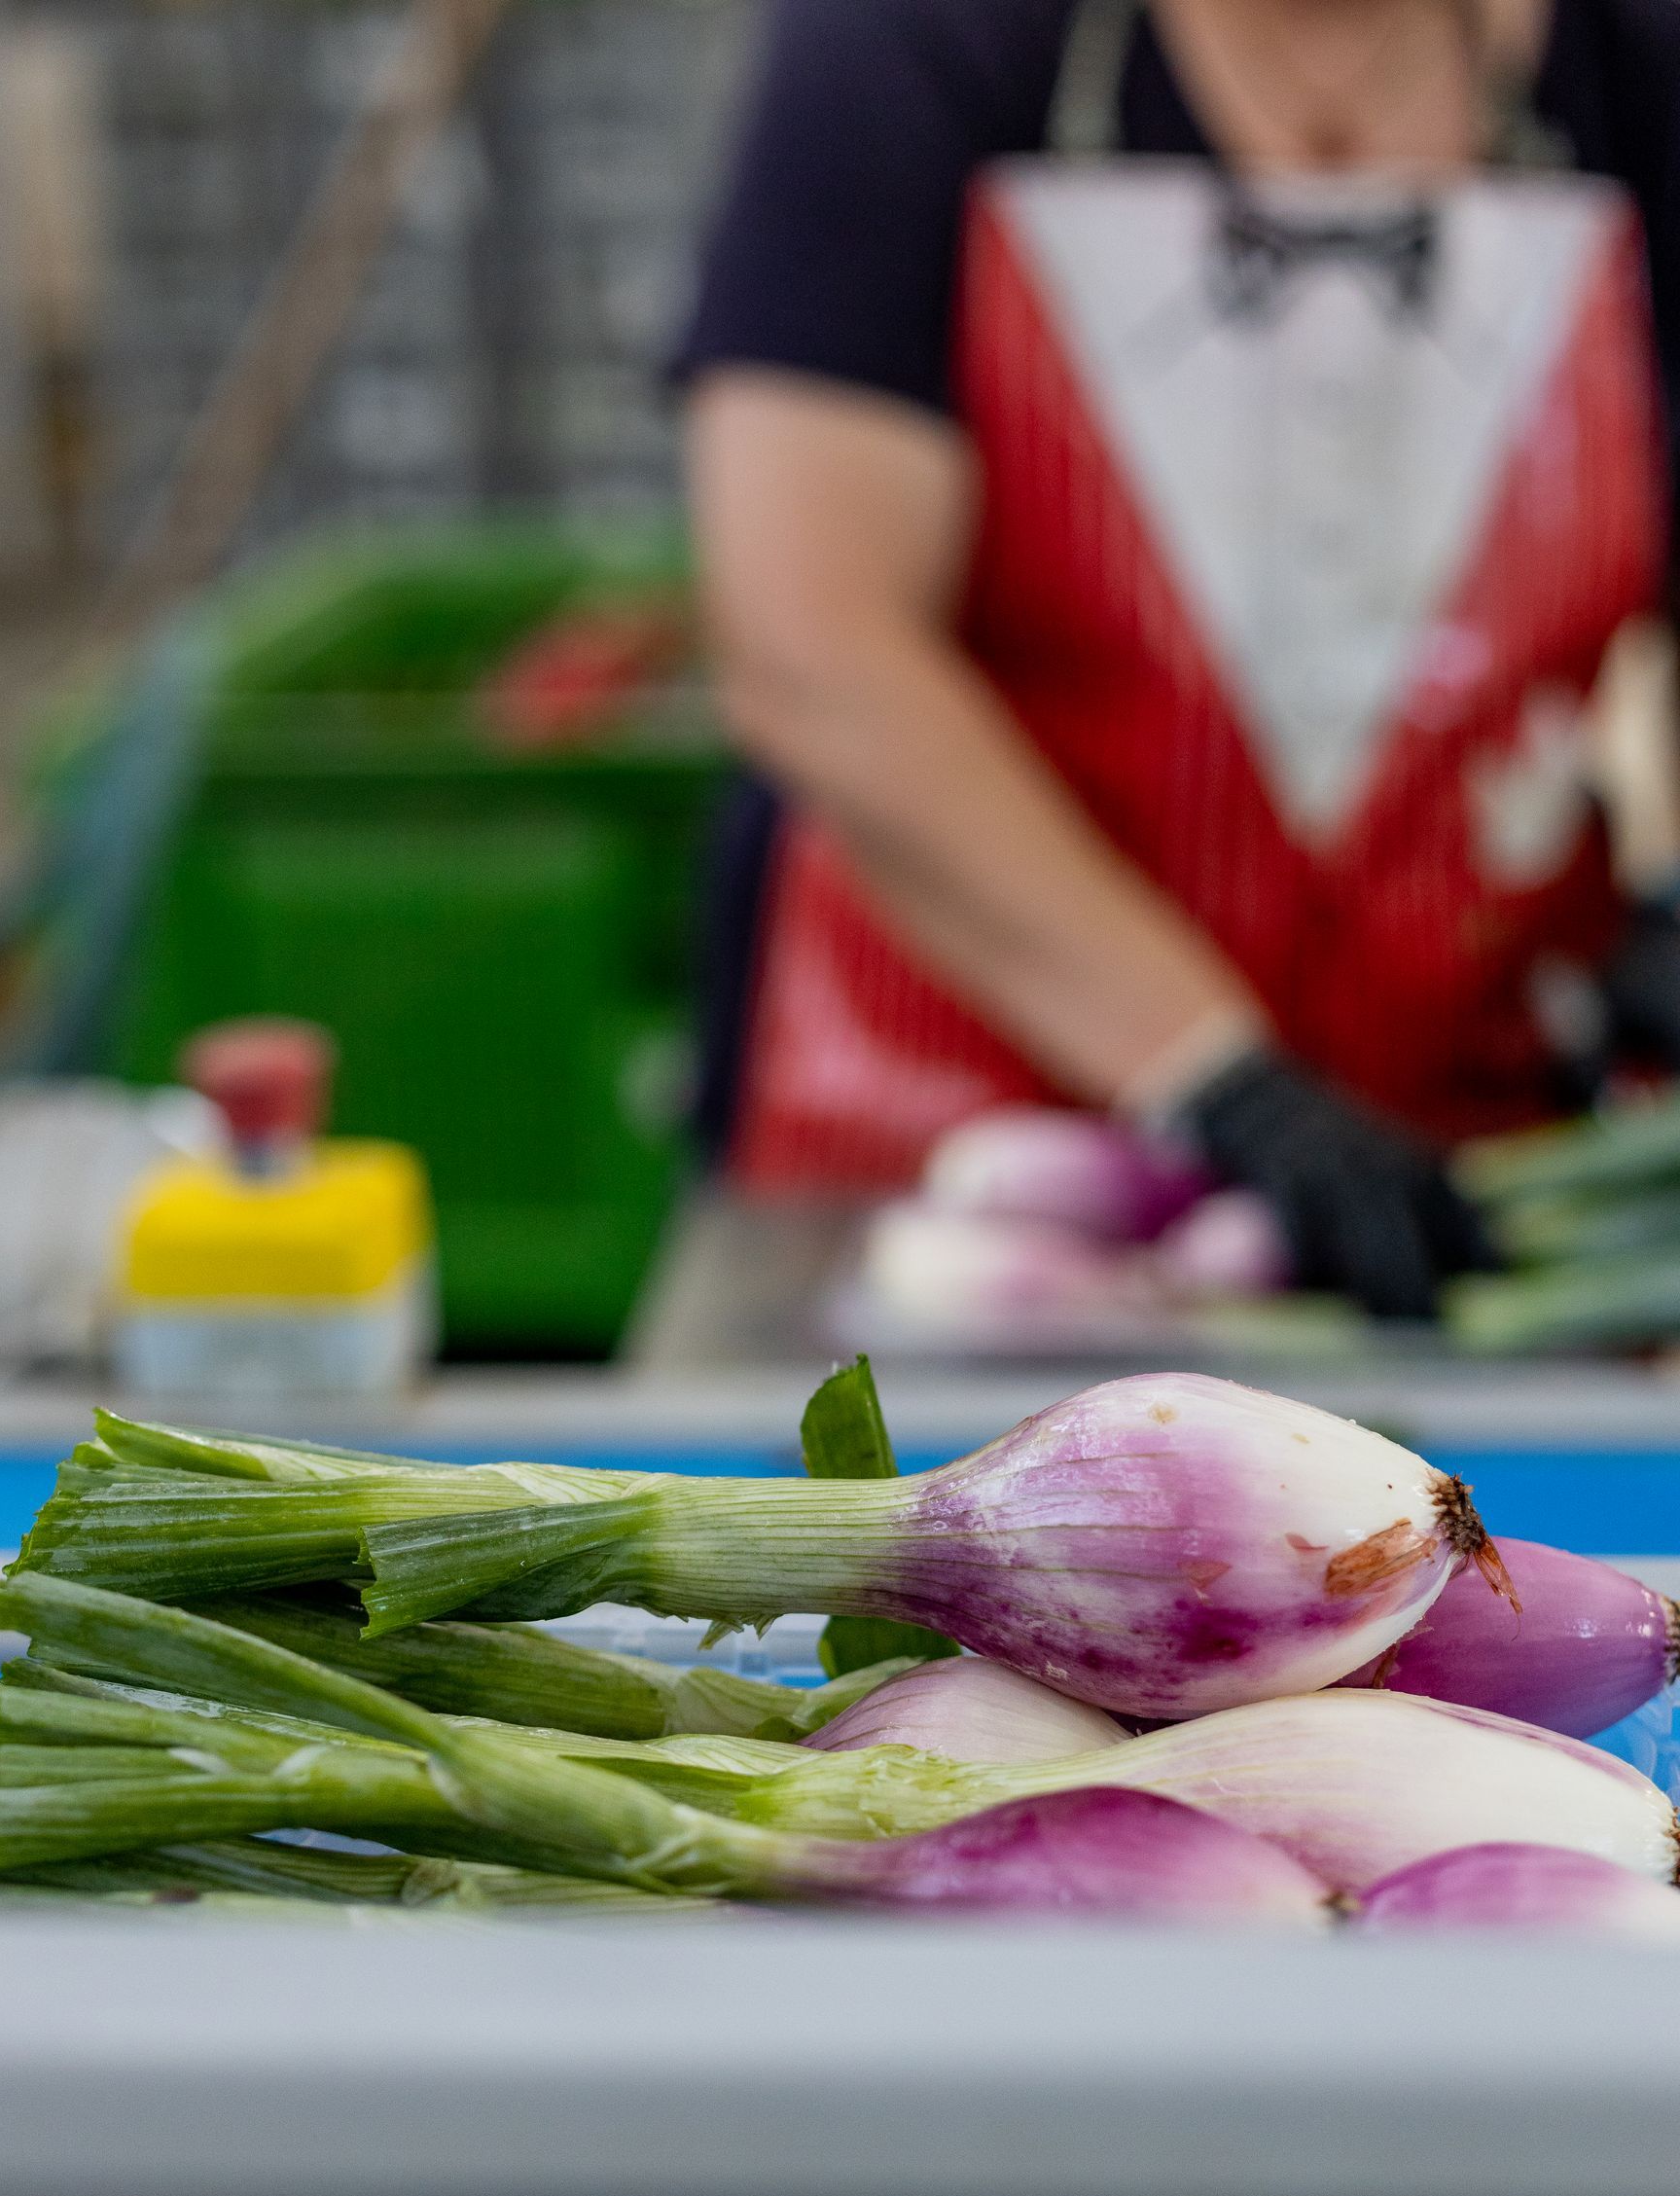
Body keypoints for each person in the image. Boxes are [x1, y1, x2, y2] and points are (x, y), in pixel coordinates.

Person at [674, 0, 1680, 1316]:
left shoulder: (1633, 68)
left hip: (1469, 1185)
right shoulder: (919, 48)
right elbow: (814, 650)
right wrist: (1215, 1080)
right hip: (967, 1188)